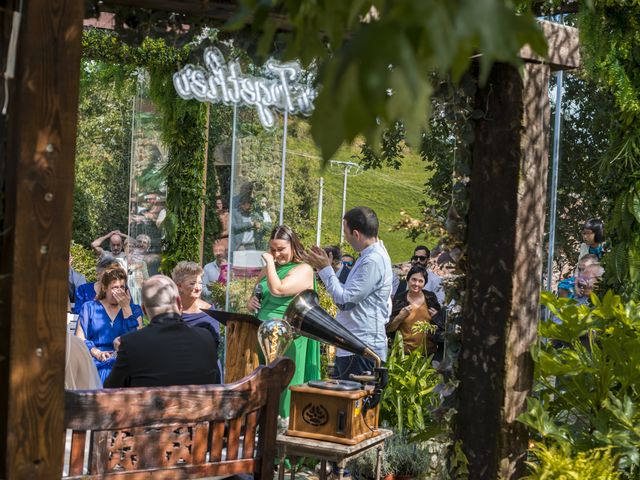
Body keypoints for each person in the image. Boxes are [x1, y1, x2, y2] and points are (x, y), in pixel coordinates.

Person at [303, 206, 393, 379]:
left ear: (356, 234)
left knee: (352, 405)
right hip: (354, 346)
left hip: (361, 348)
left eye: (345, 232)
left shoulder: (373, 260)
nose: (344, 237)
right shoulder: (370, 255)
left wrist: (325, 268)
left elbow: (344, 301)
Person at [247, 225, 320, 420]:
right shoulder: (269, 269)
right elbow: (260, 291)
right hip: (262, 332)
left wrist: (270, 263)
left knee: (283, 385)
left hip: (287, 336)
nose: (276, 254)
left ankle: (281, 433)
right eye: (272, 250)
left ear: (293, 247)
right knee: (262, 384)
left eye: (281, 249)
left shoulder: (303, 269)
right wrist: (251, 301)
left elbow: (278, 290)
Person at [104, 275, 220, 388]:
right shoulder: (206, 338)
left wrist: (121, 354)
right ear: (179, 304)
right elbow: (216, 382)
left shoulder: (130, 344)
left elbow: (110, 389)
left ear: (144, 309)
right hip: (200, 407)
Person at [75, 267, 143, 384]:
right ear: (104, 288)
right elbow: (79, 338)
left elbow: (138, 341)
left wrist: (126, 308)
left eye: (122, 287)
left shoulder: (134, 310)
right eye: (115, 288)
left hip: (124, 364)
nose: (119, 291)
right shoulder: (89, 308)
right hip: (96, 361)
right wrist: (95, 352)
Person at [172, 261, 222, 378]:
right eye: (192, 283)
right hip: (177, 368)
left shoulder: (210, 311)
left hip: (205, 370)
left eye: (200, 283)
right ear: (179, 286)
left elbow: (213, 345)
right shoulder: (170, 309)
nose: (198, 287)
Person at [386, 266, 442, 355]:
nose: (416, 284)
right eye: (414, 280)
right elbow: (389, 329)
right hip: (404, 356)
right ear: (408, 280)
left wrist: (437, 317)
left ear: (424, 284)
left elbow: (441, 325)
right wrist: (400, 317)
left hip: (429, 355)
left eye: (420, 281)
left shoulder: (430, 298)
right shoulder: (399, 300)